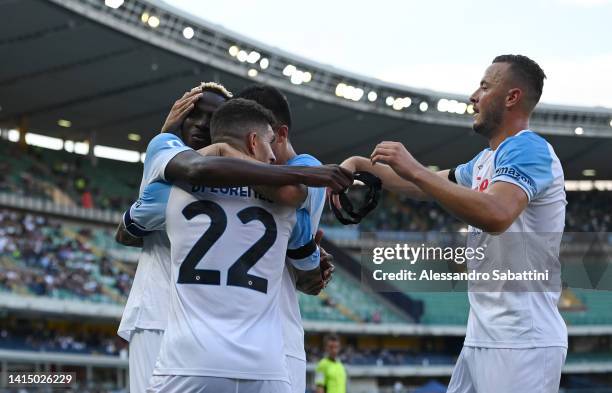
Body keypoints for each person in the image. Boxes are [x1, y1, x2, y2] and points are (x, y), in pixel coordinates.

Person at [340, 55, 567, 393]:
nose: (474, 96)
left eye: (485, 86)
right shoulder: (486, 160)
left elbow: (497, 214)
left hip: (522, 342)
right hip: (483, 335)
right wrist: (360, 165)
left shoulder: (529, 147)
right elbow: (422, 186)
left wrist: (414, 167)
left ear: (511, 98)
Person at [116, 82, 353, 393]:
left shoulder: (170, 187)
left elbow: (128, 229)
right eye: (193, 116)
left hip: (210, 344)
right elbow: (304, 250)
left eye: (213, 120)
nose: (202, 126)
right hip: (181, 324)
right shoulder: (295, 184)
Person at [238, 84, 330, 393]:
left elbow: (288, 194)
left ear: (279, 134)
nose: (247, 149)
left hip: (278, 335)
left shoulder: (307, 169)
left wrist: (221, 156)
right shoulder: (258, 172)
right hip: (236, 332)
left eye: (255, 138)